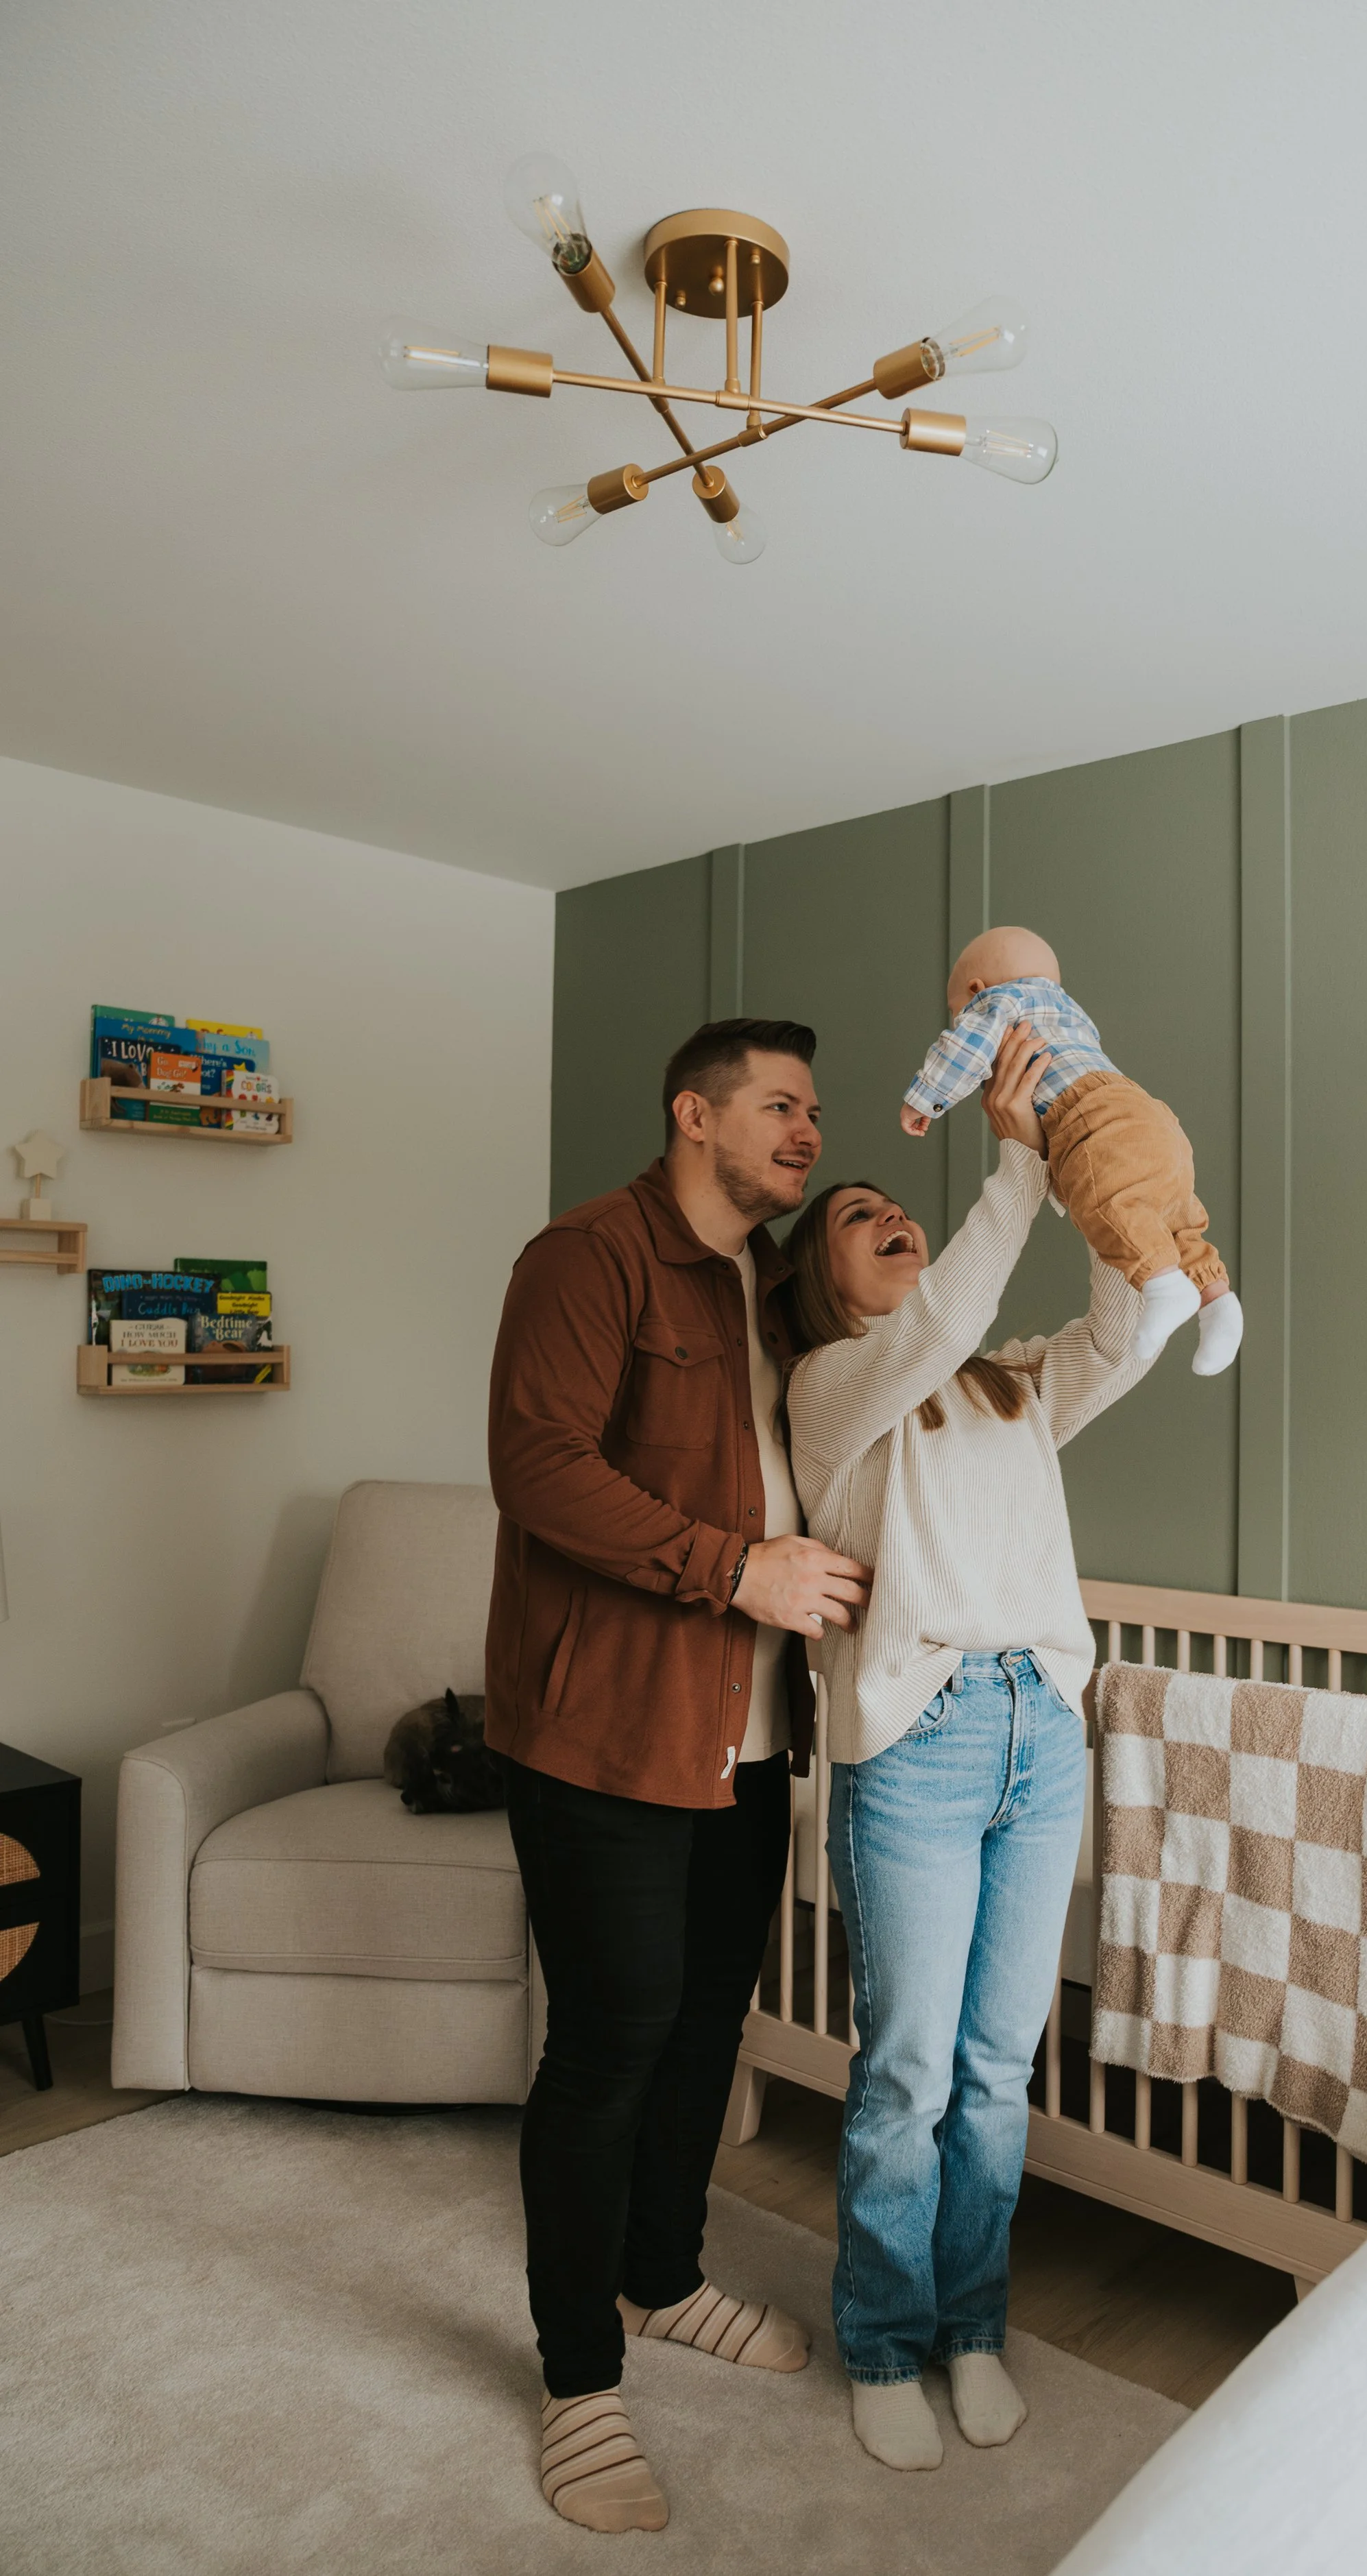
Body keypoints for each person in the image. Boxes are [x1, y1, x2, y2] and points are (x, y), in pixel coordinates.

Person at [485, 1018, 872, 2533]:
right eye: (777, 1104)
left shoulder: (766, 1291)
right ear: (692, 1116)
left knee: (710, 2020)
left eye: (813, 1108)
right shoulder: (588, 1258)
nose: (805, 1128)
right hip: (606, 1732)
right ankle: (578, 2378)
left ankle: (662, 2275)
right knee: (611, 2042)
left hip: (748, 1734)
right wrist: (735, 1570)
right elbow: (540, 1464)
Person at [784, 1024, 1165, 2472]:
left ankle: (971, 2326)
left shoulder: (1008, 1384)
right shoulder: (832, 1393)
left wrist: (1090, 1168)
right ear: (821, 1281)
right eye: (860, 1218)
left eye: (898, 1206)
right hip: (922, 1746)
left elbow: (1123, 1334)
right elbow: (936, 1322)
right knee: (908, 2074)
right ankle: (885, 2339)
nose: (891, 1216)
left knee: (1000, 2067)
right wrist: (1009, 1168)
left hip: (1039, 1732)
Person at [899, 924, 1244, 1377]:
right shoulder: (1068, 1011)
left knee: (1106, 1203)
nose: (958, 1019)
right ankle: (1218, 1302)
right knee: (1175, 1218)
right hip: (1151, 1115)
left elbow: (965, 1048)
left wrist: (925, 1099)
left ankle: (1163, 1285)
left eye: (955, 1010)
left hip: (1092, 1115)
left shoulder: (995, 1002)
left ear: (976, 989)